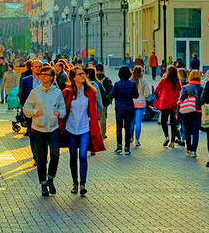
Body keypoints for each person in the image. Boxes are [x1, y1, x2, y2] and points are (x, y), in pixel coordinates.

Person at [61, 66, 105, 196]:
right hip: (71, 128)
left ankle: (82, 184)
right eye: (79, 74)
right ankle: (75, 182)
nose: (82, 76)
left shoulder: (91, 91)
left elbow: (96, 108)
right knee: (73, 156)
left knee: (82, 155)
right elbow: (63, 109)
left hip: (85, 128)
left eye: (83, 74)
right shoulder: (67, 92)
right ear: (73, 77)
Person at [22, 65, 65, 196]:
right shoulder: (35, 92)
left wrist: (59, 113)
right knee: (42, 158)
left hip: (53, 128)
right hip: (38, 129)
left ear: (52, 77)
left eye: (46, 75)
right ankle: (43, 184)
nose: (43, 77)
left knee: (55, 154)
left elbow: (63, 109)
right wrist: (35, 112)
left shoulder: (57, 93)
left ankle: (50, 178)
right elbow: (26, 108)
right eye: (41, 75)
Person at [111, 66, 139, 155]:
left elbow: (112, 94)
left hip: (119, 109)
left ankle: (119, 147)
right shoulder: (132, 84)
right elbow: (136, 95)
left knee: (119, 127)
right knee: (128, 128)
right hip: (130, 108)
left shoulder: (117, 84)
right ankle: (127, 148)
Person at [155, 65, 181, 148]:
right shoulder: (177, 82)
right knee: (173, 123)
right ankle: (172, 142)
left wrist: (159, 98)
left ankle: (166, 136)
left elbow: (156, 91)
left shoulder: (164, 81)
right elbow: (179, 91)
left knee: (163, 121)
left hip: (165, 103)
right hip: (173, 104)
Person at [179, 70, 203, 157]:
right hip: (198, 112)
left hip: (187, 111)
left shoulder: (185, 88)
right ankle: (194, 151)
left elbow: (181, 100)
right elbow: (203, 100)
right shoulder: (202, 88)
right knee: (196, 131)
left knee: (188, 131)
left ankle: (188, 149)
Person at [131, 65, 148, 148]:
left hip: (132, 103)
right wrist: (144, 97)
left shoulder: (131, 81)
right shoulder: (144, 81)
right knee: (138, 122)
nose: (143, 73)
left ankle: (131, 137)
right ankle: (137, 140)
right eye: (142, 71)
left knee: (131, 122)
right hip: (141, 103)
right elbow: (148, 93)